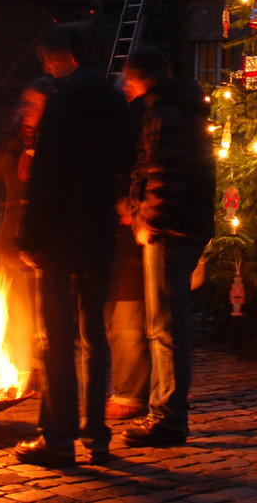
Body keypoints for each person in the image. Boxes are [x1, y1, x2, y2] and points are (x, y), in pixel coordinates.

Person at [14, 22, 129, 467]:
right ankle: (97, 435)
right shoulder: (115, 102)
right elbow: (123, 161)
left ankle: (58, 438)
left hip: (61, 237)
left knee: (56, 339)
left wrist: (31, 235)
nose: (46, 66)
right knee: (94, 338)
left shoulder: (62, 105)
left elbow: (48, 178)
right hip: (99, 232)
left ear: (66, 56)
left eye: (49, 58)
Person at [120, 45, 216, 448]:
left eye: (128, 81)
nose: (125, 90)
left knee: (165, 327)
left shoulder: (164, 114)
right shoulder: (182, 109)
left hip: (170, 231)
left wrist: (148, 221)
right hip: (186, 227)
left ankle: (168, 417)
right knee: (166, 325)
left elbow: (165, 172)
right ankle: (164, 411)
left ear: (141, 78)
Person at [0, 76, 55, 383]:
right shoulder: (13, 142)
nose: (26, 110)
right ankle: (23, 367)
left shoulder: (54, 142)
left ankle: (43, 367)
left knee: (43, 310)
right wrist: (13, 143)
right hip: (12, 235)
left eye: (34, 104)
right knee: (18, 308)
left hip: (40, 237)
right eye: (24, 103)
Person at [104, 93, 150, 423]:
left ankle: (130, 395)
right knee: (119, 323)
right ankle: (129, 390)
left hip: (135, 247)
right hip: (116, 247)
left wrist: (131, 209)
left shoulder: (141, 150)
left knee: (128, 324)